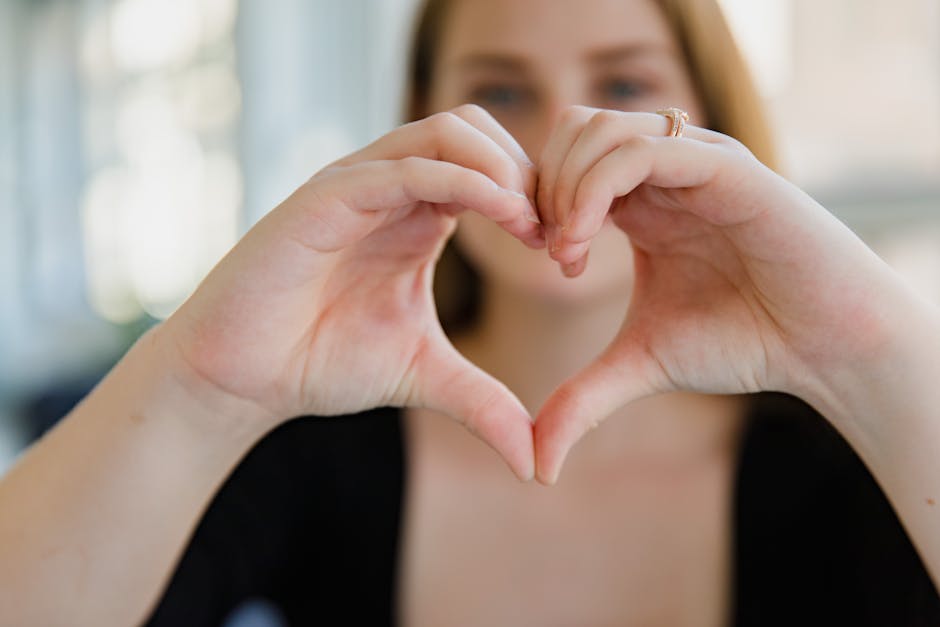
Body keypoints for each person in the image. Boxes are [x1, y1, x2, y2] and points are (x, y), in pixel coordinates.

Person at [1, 0, 938, 625]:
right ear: (422, 117)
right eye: (499, 88)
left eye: (623, 85)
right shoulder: (322, 438)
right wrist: (198, 385)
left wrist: (874, 352)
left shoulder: (844, 454)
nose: (561, 140)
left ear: (707, 115)